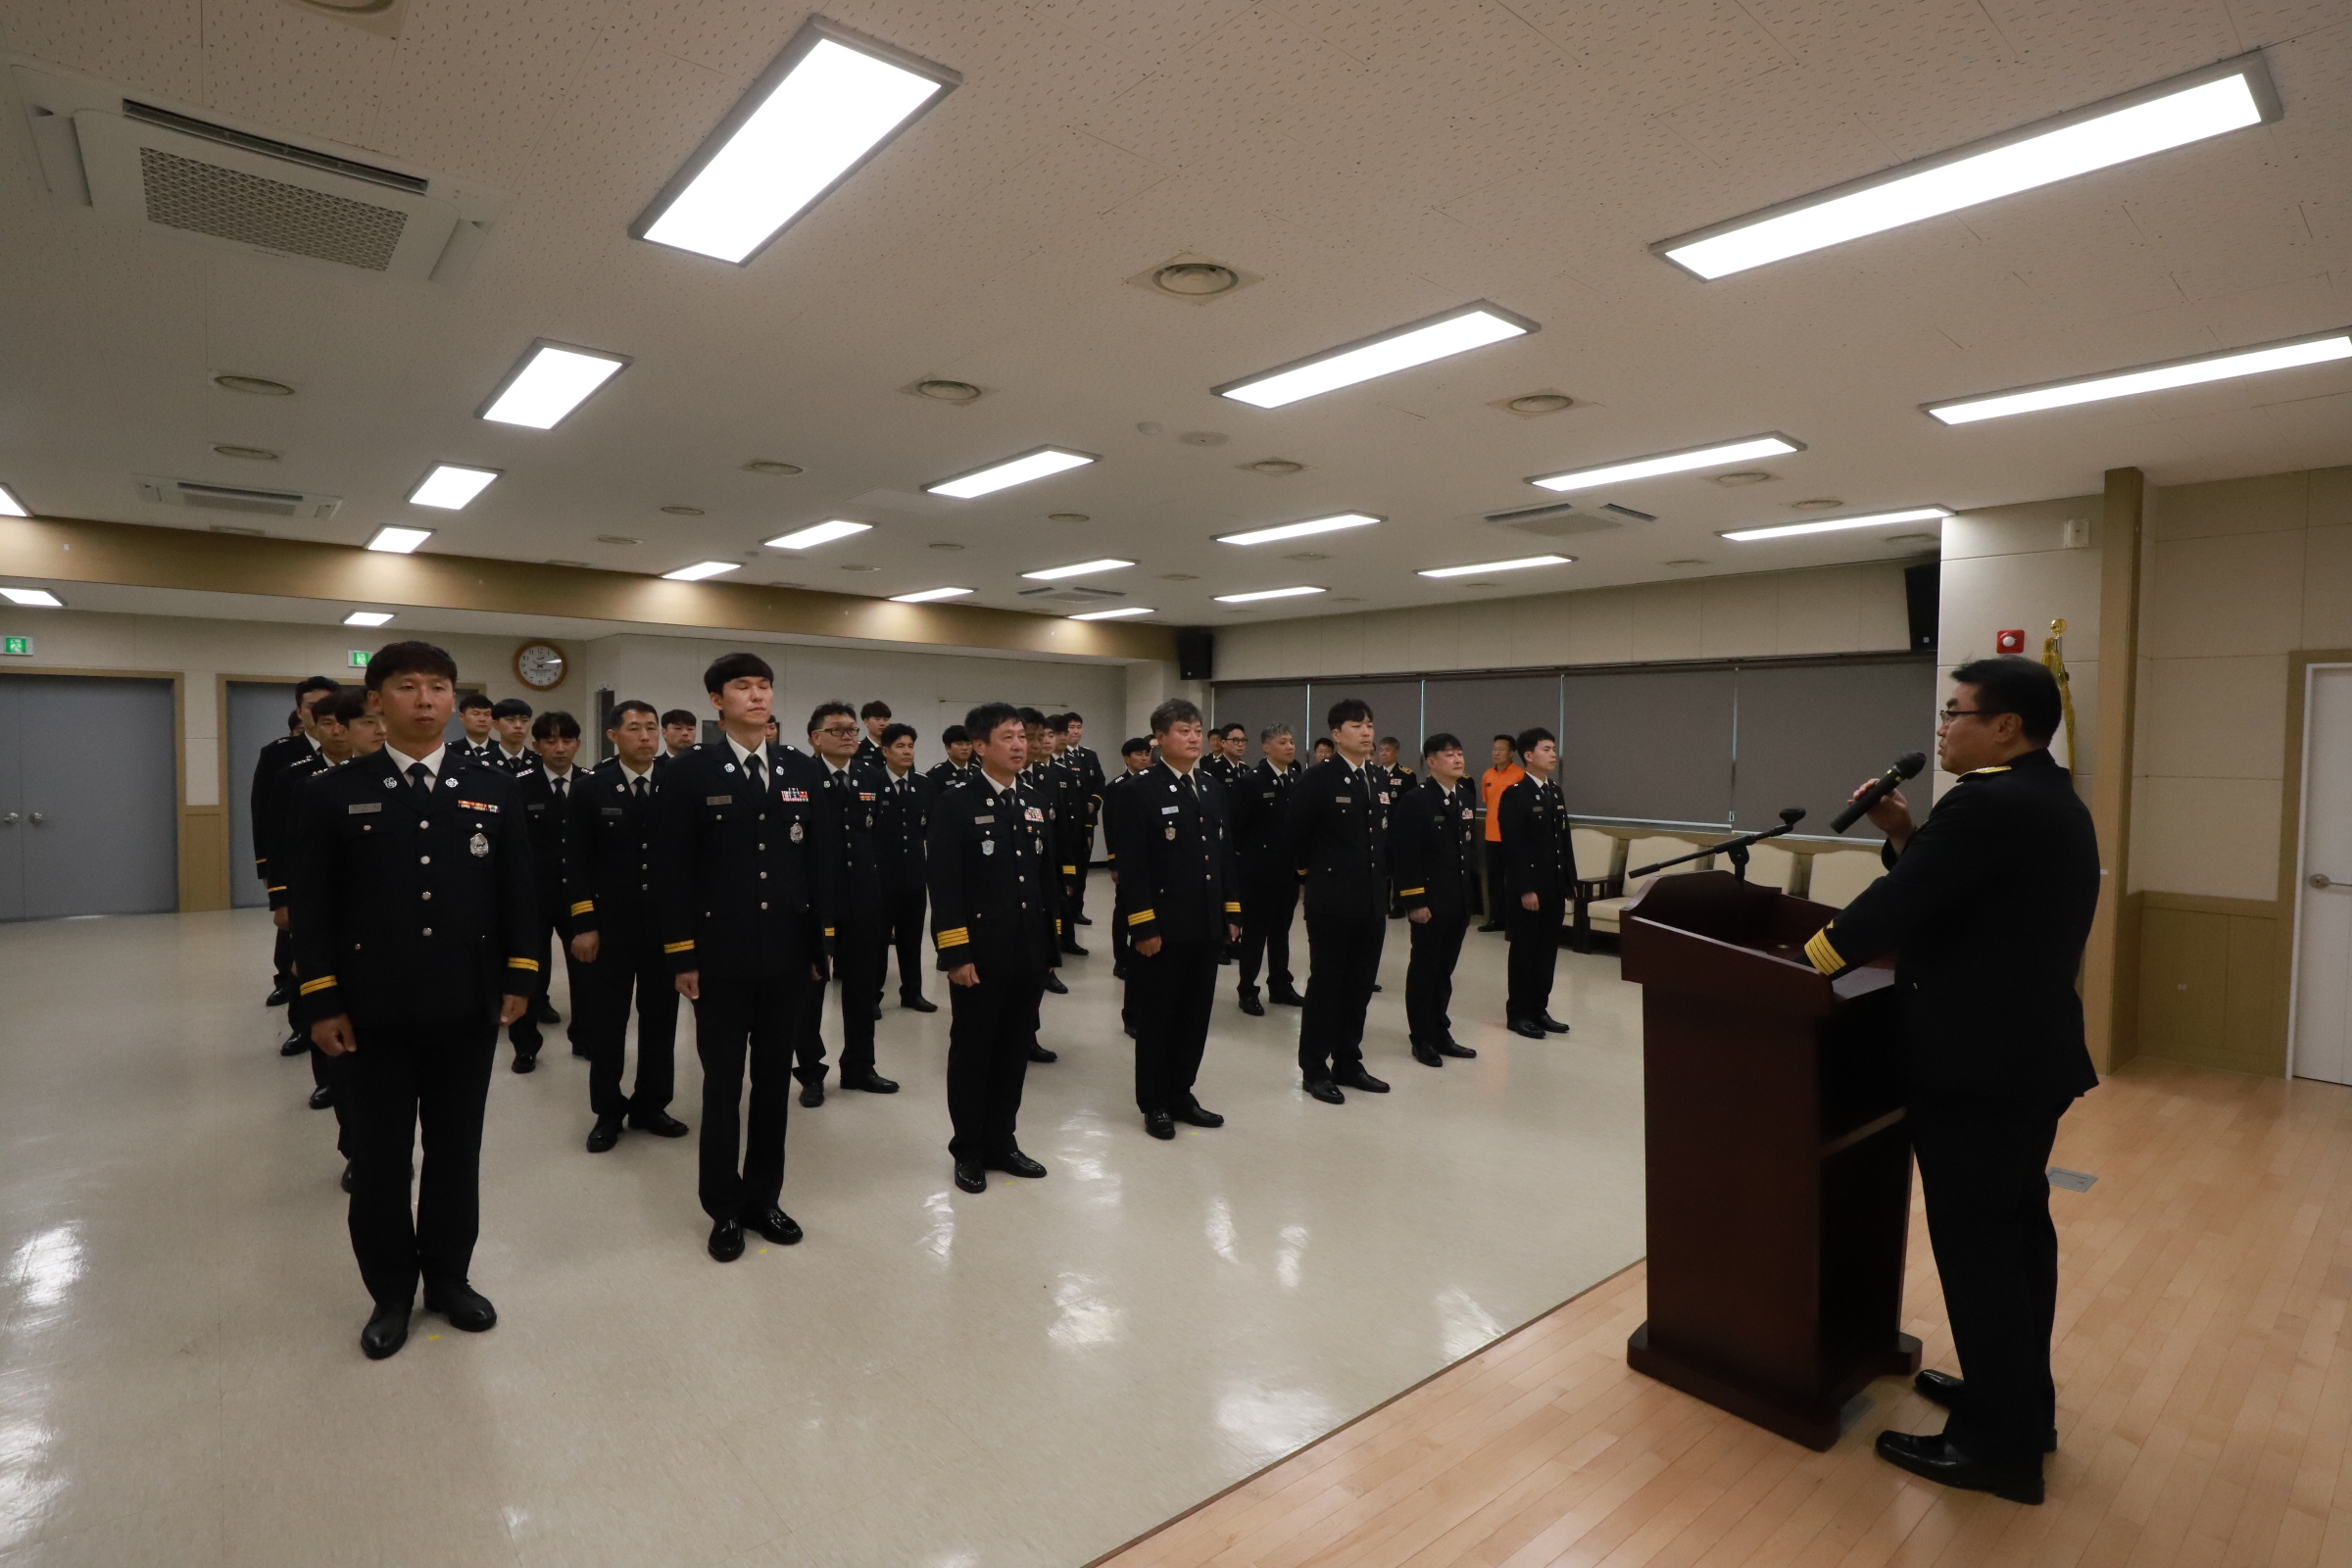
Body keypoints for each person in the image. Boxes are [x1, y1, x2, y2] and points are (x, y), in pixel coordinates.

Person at [1803, 657, 2099, 1507]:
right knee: (2016, 1239)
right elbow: (1963, 895)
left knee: (1980, 1254)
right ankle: (2018, 1405)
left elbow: (1894, 911)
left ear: (2005, 726)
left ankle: (1996, 1449)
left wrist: (1806, 961)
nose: (1943, 727)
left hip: (1977, 1069)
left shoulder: (1986, 804)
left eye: (1956, 712)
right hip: (2023, 1060)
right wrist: (1905, 833)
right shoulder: (2048, 796)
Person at [290, 641, 537, 1360]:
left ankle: (450, 1279)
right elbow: (314, 907)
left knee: (457, 1152)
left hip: (466, 1004)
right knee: (381, 1159)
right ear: (375, 700)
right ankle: (391, 1292)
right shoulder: (333, 791)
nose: (425, 700)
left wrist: (521, 977)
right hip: (371, 1010)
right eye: (407, 686)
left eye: (438, 687)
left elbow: (519, 890)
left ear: (454, 699)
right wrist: (321, 1000)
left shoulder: (491, 785)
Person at [655, 653, 832, 1263]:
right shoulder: (689, 771)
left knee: (773, 1084)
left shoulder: (798, 768)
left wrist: (818, 947)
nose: (757, 696)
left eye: (764, 686)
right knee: (723, 1085)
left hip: (786, 954)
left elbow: (815, 863)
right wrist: (682, 955)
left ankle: (764, 1198)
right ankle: (724, 1207)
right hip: (719, 957)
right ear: (717, 701)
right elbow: (672, 870)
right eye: (742, 687)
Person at [929, 703, 1060, 1194]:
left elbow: (1045, 881)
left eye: (1022, 736)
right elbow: (945, 886)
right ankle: (968, 1149)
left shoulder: (1035, 800)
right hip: (981, 955)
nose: (1020, 745)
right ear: (980, 747)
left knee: (1012, 1052)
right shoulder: (955, 803)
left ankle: (1003, 1142)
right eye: (1008, 737)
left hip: (1027, 951)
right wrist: (956, 954)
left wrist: (1050, 949)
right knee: (973, 1053)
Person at [1106, 699, 1239, 1141]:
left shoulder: (1212, 788)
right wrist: (1143, 926)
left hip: (1205, 924)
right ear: (1159, 738)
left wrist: (1231, 910)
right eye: (1184, 731)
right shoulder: (1138, 790)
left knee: (1194, 1016)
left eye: (1198, 730)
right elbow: (1133, 867)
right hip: (1163, 927)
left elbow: (1223, 855)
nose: (1194, 738)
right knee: (1158, 1017)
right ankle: (1154, 1102)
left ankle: (1182, 1092)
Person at [564, 701, 689, 1153]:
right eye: (635, 728)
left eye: (651, 728)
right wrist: (583, 923)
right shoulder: (590, 788)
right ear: (614, 735)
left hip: (664, 928)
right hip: (609, 928)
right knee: (607, 1024)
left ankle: (651, 1104)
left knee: (661, 1020)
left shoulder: (677, 784)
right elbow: (575, 863)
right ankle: (608, 1111)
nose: (646, 736)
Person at [1286, 698, 1395, 1104]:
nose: (1367, 732)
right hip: (1331, 900)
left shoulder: (1376, 777)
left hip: (1371, 899)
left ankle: (1349, 1061)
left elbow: (1381, 838)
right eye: (1357, 725)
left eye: (1370, 725)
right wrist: (1314, 876)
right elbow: (1295, 837)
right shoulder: (1319, 779)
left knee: (1360, 986)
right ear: (1336, 734)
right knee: (1327, 985)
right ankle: (1314, 1068)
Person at [798, 701, 900, 1103]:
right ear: (815, 738)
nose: (848, 736)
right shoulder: (800, 777)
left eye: (852, 730)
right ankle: (810, 1073)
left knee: (861, 989)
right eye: (837, 730)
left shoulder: (871, 776)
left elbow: (881, 839)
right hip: (815, 901)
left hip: (862, 899)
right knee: (811, 990)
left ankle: (859, 1067)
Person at [1392, 734, 1483, 1067]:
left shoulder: (1465, 797)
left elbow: (1467, 850)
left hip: (1458, 900)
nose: (1458, 760)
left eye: (1460, 754)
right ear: (1431, 762)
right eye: (1449, 755)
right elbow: (1406, 854)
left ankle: (1440, 1031)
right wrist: (1414, 901)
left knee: (1444, 971)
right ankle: (1422, 1037)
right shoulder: (1416, 800)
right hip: (1429, 902)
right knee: (1425, 970)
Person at [253, 675, 340, 1009]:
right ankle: (286, 983)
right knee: (292, 928)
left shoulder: (360, 750)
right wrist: (268, 871)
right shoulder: (280, 755)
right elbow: (264, 816)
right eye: (314, 706)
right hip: (295, 862)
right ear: (300, 710)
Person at [509, 710, 585, 1056]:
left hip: (578, 896)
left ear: (577, 744)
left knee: (585, 973)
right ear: (536, 745)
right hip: (533, 895)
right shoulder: (518, 785)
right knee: (529, 971)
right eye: (551, 741)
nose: (560, 748)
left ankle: (584, 1038)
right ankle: (525, 1046)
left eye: (567, 740)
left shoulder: (591, 783)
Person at [1497, 727, 1575, 1039]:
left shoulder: (1554, 791)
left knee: (1547, 952)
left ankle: (1539, 1009)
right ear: (1528, 755)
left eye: (1554, 748)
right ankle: (1518, 1013)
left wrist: (1569, 880)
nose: (1553, 754)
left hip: (1553, 885)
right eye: (1546, 749)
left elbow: (1563, 841)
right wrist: (1526, 889)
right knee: (1525, 951)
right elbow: (1513, 847)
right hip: (1530, 888)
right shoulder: (1515, 794)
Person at [1230, 722, 1305, 1015]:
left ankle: (1280, 985)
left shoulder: (1297, 779)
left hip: (1287, 871)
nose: (1290, 747)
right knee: (1255, 934)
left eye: (1291, 742)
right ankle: (1247, 989)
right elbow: (1236, 829)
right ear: (1266, 747)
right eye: (1283, 742)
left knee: (1281, 932)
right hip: (1258, 872)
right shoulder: (1251, 781)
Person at [874, 722, 937, 1013]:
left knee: (911, 940)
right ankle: (872, 996)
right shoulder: (872, 783)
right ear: (885, 751)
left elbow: (931, 830)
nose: (907, 751)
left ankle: (912, 992)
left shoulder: (924, 785)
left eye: (911, 746)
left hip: (914, 875)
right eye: (900, 746)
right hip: (881, 877)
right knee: (877, 942)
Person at [1104, 736, 1152, 994]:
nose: (1144, 758)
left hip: (1148, 860)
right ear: (1126, 758)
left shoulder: (1153, 784)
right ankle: (1120, 959)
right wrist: (1114, 862)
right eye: (1139, 754)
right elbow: (1111, 828)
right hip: (1125, 859)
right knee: (1123, 910)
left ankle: (1138, 955)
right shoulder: (1117, 787)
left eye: (1147, 753)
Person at [1054, 712, 1107, 933]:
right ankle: (1065, 913)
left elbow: (1099, 782)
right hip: (1064, 822)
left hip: (1086, 820)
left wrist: (1093, 803)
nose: (1075, 732)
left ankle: (1077, 909)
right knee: (1066, 869)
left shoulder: (1087, 755)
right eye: (1070, 728)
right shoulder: (1057, 759)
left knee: (1082, 867)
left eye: (1078, 727)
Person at [1477, 735, 1523, 932]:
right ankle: (1496, 919)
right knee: (1494, 880)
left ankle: (1514, 920)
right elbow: (1489, 803)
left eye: (1501, 749)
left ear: (1512, 753)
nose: (1496, 752)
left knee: (1514, 880)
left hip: (1513, 837)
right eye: (1494, 749)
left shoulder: (1520, 775)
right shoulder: (1487, 775)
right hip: (1491, 835)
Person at [486, 699, 536, 773]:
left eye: (524, 720)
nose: (518, 726)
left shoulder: (541, 762)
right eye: (511, 720)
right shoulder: (482, 763)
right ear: (496, 724)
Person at [451, 691, 496, 761]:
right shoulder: (450, 750)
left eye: (487, 714)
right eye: (476, 714)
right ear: (462, 717)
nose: (482, 719)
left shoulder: (502, 750)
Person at [856, 699, 892, 763]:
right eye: (877, 719)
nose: (882, 724)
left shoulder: (893, 749)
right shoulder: (857, 750)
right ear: (866, 722)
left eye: (885, 719)